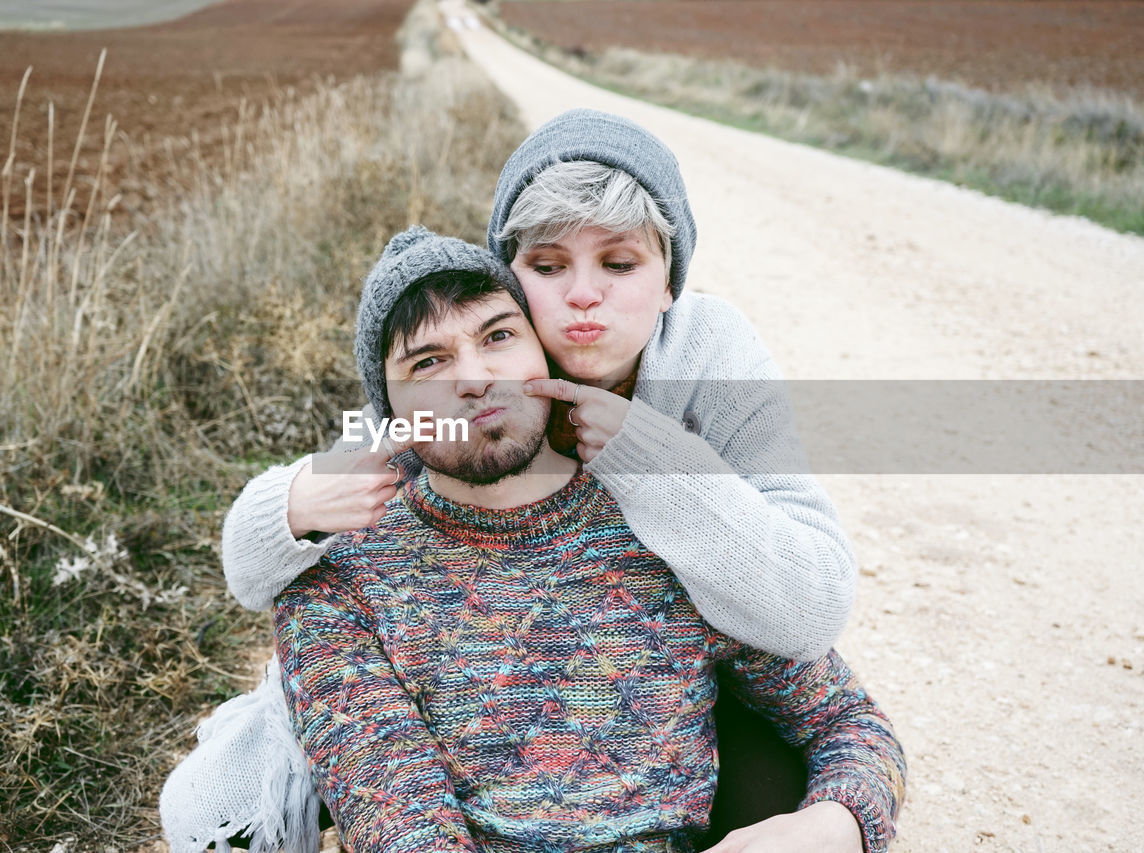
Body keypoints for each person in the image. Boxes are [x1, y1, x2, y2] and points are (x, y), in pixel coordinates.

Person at [274, 227, 904, 853]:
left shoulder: (665, 521)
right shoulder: (344, 573)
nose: (475, 378)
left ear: (543, 358)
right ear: (392, 410)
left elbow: (847, 722)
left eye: (498, 336)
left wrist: (834, 823)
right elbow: (400, 826)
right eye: (428, 362)